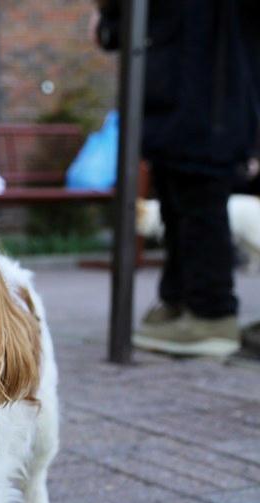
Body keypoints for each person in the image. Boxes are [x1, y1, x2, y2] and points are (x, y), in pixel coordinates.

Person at [96, 0, 260, 356]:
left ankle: (211, 313)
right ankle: (182, 301)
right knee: (177, 200)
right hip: (175, 91)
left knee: (198, 196)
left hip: (210, 93)